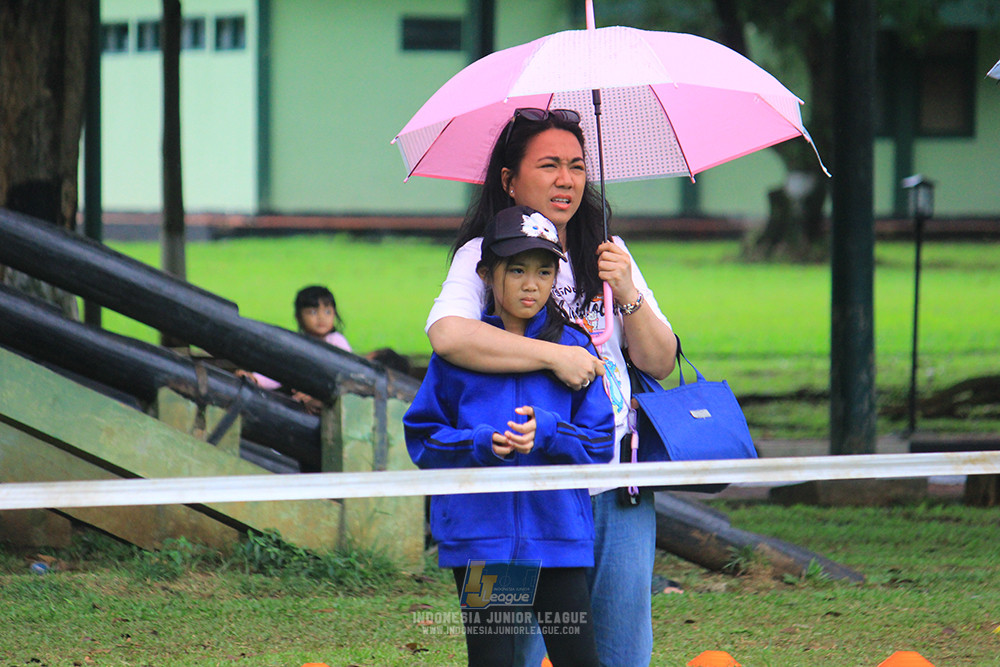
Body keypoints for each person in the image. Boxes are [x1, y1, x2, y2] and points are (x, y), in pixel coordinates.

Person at [425, 108, 677, 666]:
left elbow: (658, 361)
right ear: (510, 180)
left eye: (577, 166)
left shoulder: (609, 255)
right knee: (511, 652)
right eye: (549, 165)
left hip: (615, 481)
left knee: (617, 650)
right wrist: (557, 357)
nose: (567, 179)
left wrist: (627, 289)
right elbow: (449, 337)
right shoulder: (481, 257)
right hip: (523, 494)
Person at [404, 205, 615, 667]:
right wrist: (478, 444)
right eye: (516, 269)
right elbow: (423, 437)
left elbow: (601, 445)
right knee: (493, 660)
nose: (530, 284)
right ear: (486, 273)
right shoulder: (462, 352)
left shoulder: (575, 350)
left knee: (578, 659)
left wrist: (552, 433)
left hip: (556, 538)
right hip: (483, 543)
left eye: (543, 271)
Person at [241, 285, 351, 412]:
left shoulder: (336, 341)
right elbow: (282, 369)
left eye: (327, 312)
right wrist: (255, 379)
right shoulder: (299, 344)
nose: (321, 318)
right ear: (298, 317)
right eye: (313, 312)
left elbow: (346, 374)